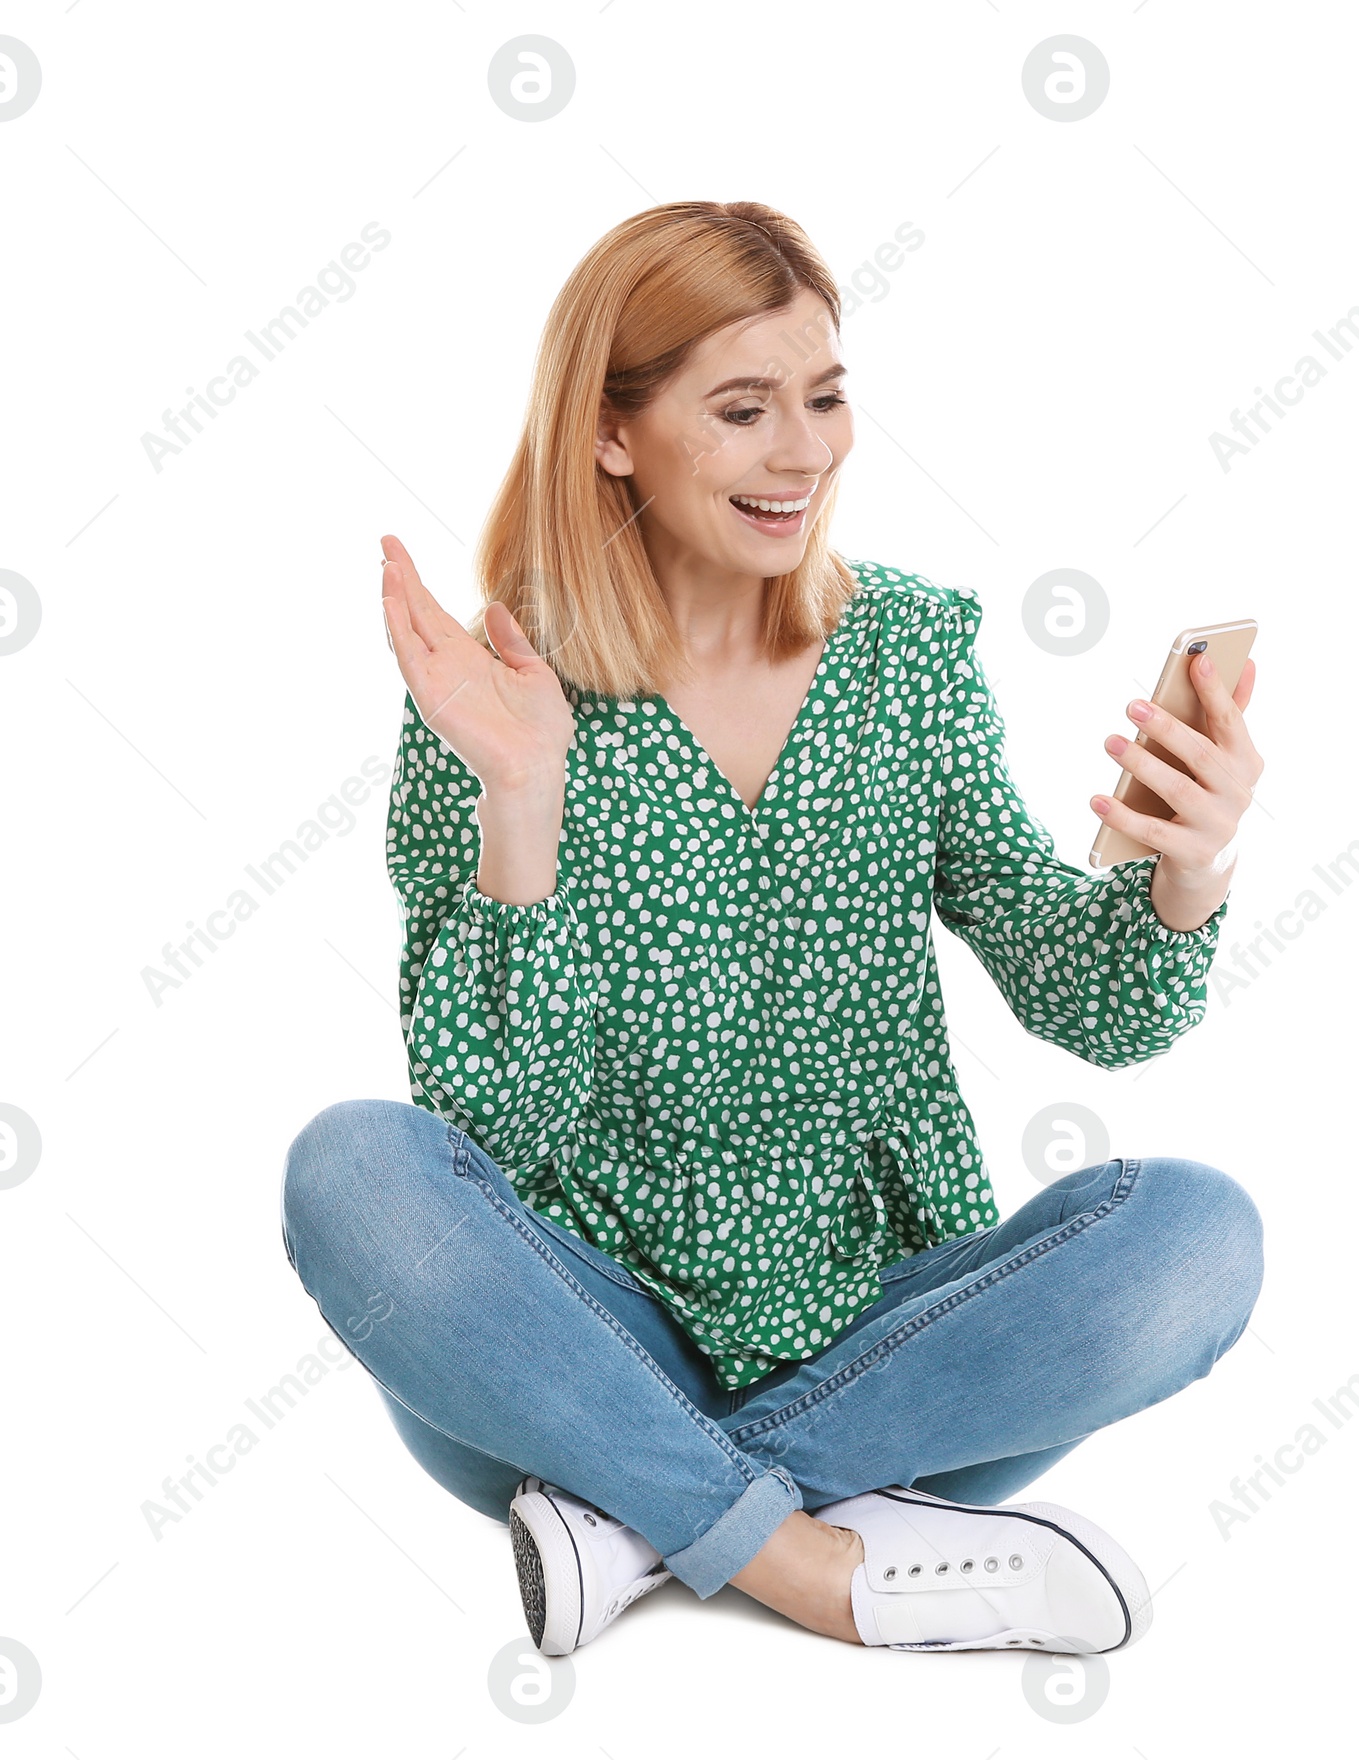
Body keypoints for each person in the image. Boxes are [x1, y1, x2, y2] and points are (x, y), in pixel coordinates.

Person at [279, 200, 1266, 1659]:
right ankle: (814, 1559)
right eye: (742, 410)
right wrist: (523, 795)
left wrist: (1189, 870)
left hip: (887, 1344)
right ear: (613, 434)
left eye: (824, 397)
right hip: (569, 1359)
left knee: (1198, 1237)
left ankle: (642, 1523)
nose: (804, 452)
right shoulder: (502, 694)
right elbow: (482, 1125)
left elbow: (1092, 1006)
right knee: (349, 1167)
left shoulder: (907, 658)